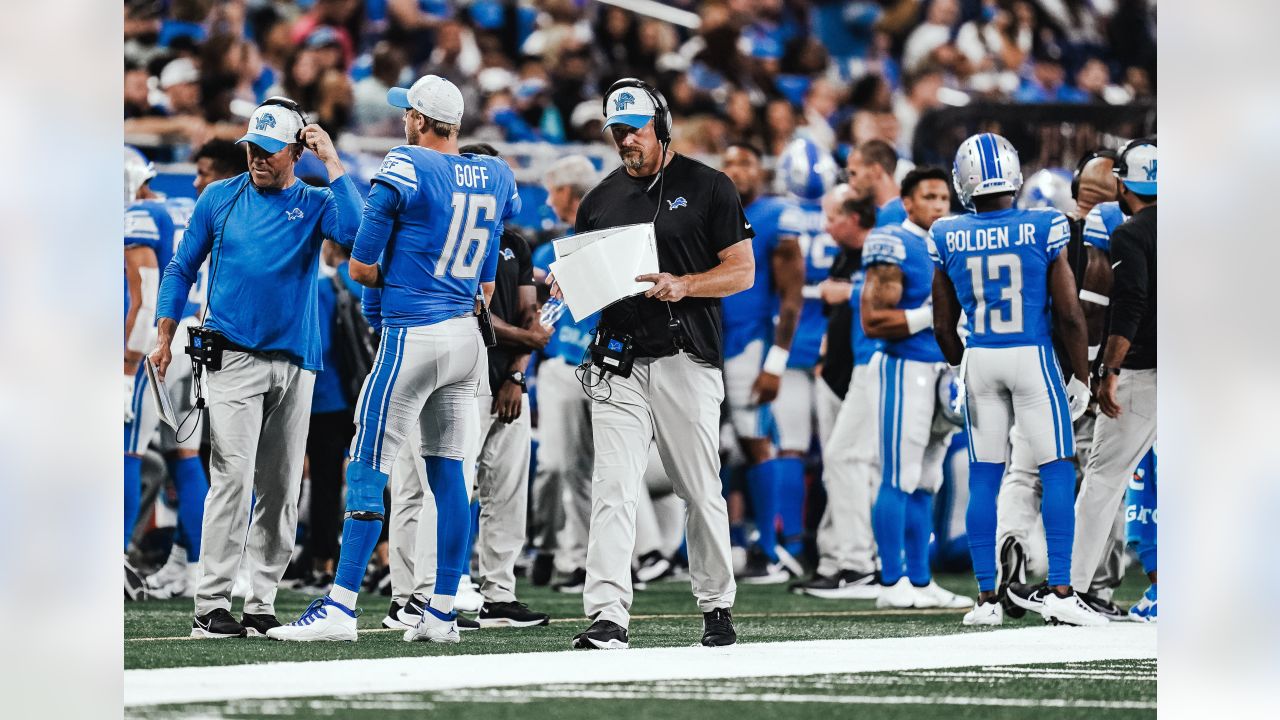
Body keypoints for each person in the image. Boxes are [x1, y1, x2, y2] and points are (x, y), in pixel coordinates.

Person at [267, 75, 520, 644]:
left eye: (409, 113)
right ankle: (443, 610)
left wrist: (402, 272)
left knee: (367, 461)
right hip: (466, 337)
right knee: (448, 469)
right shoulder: (497, 174)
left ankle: (341, 603)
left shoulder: (406, 164)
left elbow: (358, 265)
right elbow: (484, 282)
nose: (403, 119)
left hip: (414, 333)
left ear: (422, 122)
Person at [150, 98, 362, 638]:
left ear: (296, 150)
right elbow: (180, 266)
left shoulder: (315, 202)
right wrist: (165, 333)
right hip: (232, 356)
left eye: (269, 151)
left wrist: (333, 163)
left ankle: (262, 599)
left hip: (296, 362)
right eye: (251, 148)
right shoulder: (219, 197)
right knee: (232, 477)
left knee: (282, 484)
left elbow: (358, 234)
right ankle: (212, 603)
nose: (257, 159)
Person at [563, 79, 753, 650]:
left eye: (635, 130)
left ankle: (717, 605)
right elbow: (589, 287)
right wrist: (566, 285)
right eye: (617, 131)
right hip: (619, 360)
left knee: (699, 488)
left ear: (662, 126)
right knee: (613, 488)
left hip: (686, 357)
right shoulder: (598, 199)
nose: (625, 141)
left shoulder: (709, 185)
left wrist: (686, 284)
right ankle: (607, 615)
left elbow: (742, 271)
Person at [928, 132, 1101, 627]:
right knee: (1055, 469)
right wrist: (1082, 377)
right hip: (1032, 355)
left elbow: (943, 324)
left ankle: (985, 599)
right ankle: (1062, 591)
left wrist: (964, 363)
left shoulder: (946, 233)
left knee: (985, 475)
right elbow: (1069, 316)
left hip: (981, 356)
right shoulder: (1044, 225)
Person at [860, 167, 970, 611]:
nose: (940, 206)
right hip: (904, 367)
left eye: (945, 198)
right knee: (899, 475)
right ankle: (891, 580)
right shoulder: (893, 241)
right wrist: (934, 315)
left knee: (928, 479)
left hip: (941, 371)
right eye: (930, 197)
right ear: (908, 202)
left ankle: (921, 580)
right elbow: (874, 321)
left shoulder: (947, 242)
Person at [145, 140, 248, 601]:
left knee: (174, 456)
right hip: (202, 338)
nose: (196, 179)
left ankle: (195, 564)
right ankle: (183, 562)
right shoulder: (234, 207)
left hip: (182, 333)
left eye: (204, 171)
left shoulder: (201, 207)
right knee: (185, 456)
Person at [457, 142, 553, 628]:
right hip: (466, 379)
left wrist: (517, 372)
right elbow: (477, 317)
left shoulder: (515, 240)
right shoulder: (457, 237)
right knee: (461, 488)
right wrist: (529, 339)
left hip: (507, 381)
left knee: (508, 492)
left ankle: (499, 592)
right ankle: (447, 588)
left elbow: (526, 310)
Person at [1071, 139, 1158, 618]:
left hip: (1148, 371)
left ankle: (1075, 590)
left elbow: (1130, 306)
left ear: (1123, 184)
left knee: (1104, 478)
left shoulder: (1129, 233)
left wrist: (1109, 371)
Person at [716, 141, 803, 584]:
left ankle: (768, 549)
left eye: (745, 162)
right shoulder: (707, 209)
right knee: (707, 446)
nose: (735, 170)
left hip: (749, 343)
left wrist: (776, 362)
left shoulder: (774, 216)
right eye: (728, 162)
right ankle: (708, 545)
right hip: (706, 340)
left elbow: (791, 298)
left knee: (754, 439)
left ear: (761, 171)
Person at [795, 184, 882, 598]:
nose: (827, 226)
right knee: (839, 466)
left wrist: (847, 293)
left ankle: (860, 561)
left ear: (853, 216)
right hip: (839, 369)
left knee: (853, 463)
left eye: (833, 217)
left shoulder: (882, 247)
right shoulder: (847, 253)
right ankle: (836, 557)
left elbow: (897, 298)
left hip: (868, 369)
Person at [761, 137, 840, 580]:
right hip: (831, 343)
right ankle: (829, 542)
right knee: (837, 453)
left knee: (789, 446)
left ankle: (790, 542)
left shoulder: (777, 214)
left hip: (788, 341)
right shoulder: (838, 211)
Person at [529, 154, 600, 592]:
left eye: (554, 190)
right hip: (560, 365)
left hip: (603, 366)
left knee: (589, 470)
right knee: (553, 465)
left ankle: (584, 560)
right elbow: (540, 317)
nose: (549, 199)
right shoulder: (546, 251)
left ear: (570, 194)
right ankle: (544, 543)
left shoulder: (607, 244)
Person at [846, 140, 905, 227]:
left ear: (875, 170)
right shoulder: (874, 213)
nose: (851, 183)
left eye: (854, 173)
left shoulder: (899, 213)